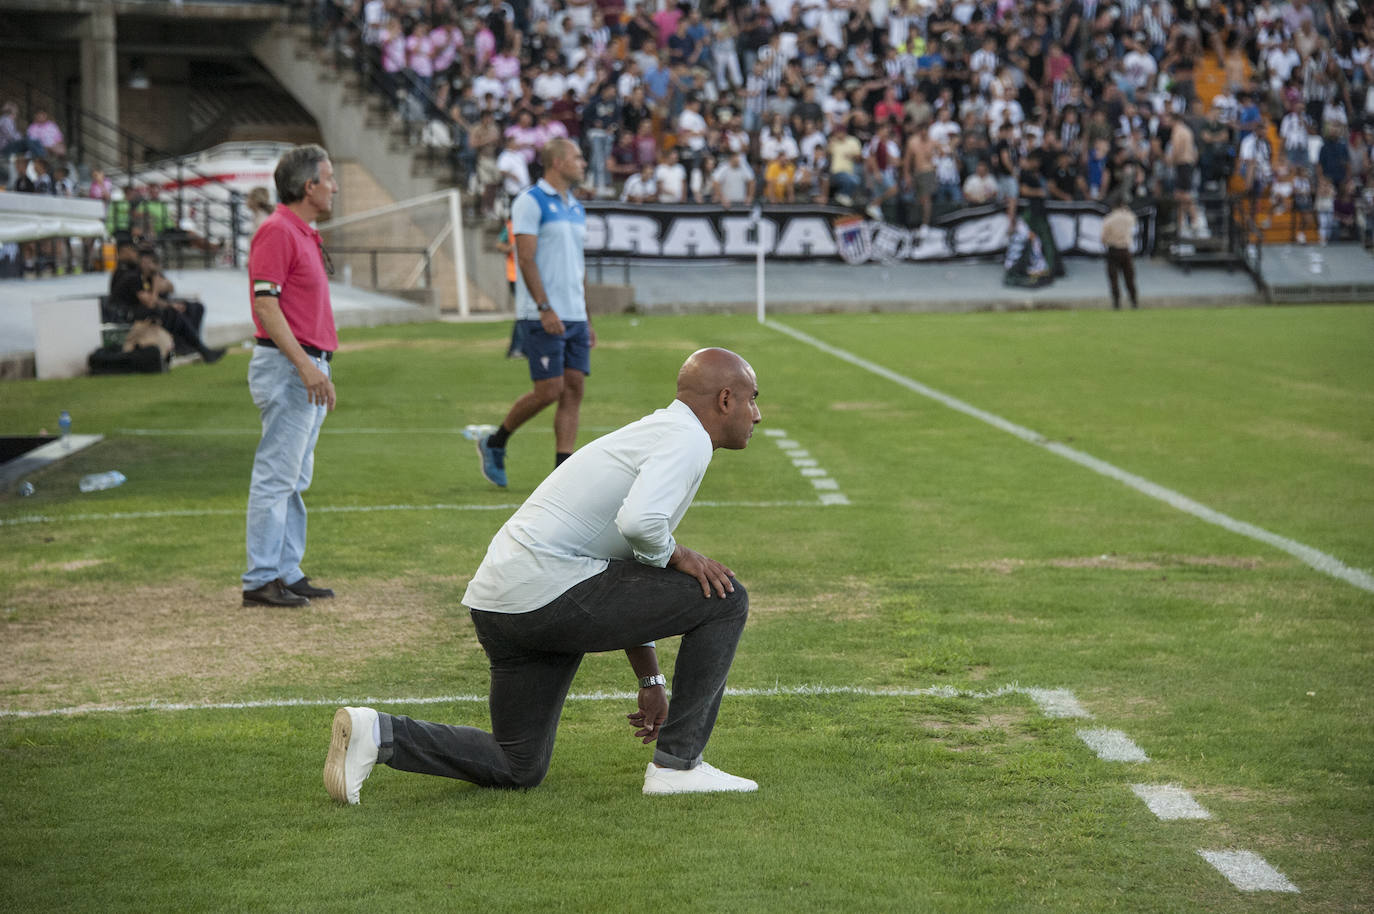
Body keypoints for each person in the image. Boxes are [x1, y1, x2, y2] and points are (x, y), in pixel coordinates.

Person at [325, 347, 763, 803]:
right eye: (753, 400)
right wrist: (681, 555)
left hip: (501, 603)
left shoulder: (661, 432)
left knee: (518, 765)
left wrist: (650, 680)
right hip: (548, 593)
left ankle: (376, 732)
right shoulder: (687, 438)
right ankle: (678, 766)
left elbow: (628, 564)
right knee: (726, 598)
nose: (758, 415)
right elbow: (640, 526)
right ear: (725, 399)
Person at [242, 144, 340, 609]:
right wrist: (305, 366)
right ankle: (262, 577)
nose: (335, 187)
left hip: (304, 364)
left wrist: (317, 365)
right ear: (309, 186)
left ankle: (284, 570)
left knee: (293, 477)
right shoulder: (279, 231)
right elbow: (265, 303)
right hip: (289, 367)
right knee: (277, 476)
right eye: (330, 178)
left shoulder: (299, 231)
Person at [475, 138, 594, 488]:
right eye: (577, 157)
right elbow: (525, 258)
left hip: (574, 314)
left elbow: (577, 267)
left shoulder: (576, 206)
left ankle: (563, 474)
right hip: (542, 313)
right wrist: (544, 308)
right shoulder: (530, 201)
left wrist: (586, 316)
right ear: (557, 162)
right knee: (549, 390)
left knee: (573, 390)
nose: (583, 163)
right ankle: (495, 443)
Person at [1101, 199, 1139, 310]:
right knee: (1129, 278)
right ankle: (1134, 301)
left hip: (1113, 250)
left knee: (1113, 278)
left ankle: (1116, 302)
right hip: (1125, 250)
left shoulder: (1109, 219)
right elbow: (1134, 220)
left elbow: (1103, 238)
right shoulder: (1128, 217)